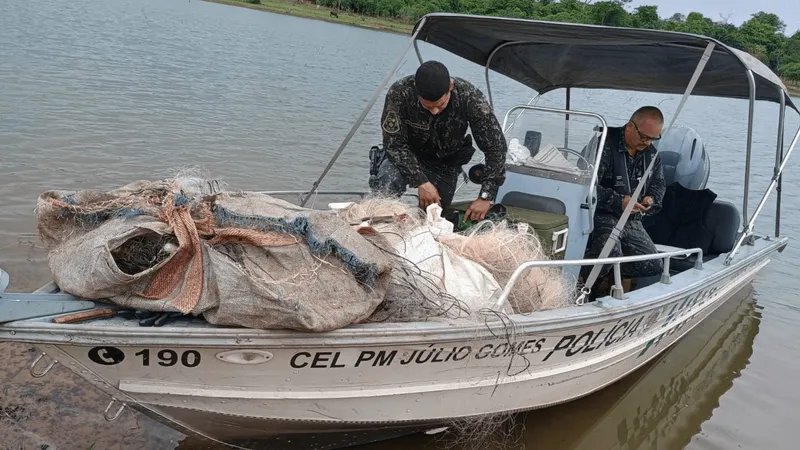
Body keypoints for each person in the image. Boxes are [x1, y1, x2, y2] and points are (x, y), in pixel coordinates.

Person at [369, 60, 507, 221]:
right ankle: (380, 226)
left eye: (440, 106)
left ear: (451, 87)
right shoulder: (400, 93)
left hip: (445, 163)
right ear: (416, 91)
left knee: (435, 217)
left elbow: (496, 149)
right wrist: (421, 181)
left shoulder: (470, 98)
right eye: (427, 107)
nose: (434, 111)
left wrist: (485, 196)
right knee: (385, 187)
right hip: (406, 156)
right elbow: (394, 145)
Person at [580, 106, 667, 294]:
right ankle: (579, 281)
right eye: (644, 137)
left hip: (632, 220)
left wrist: (651, 200)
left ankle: (605, 277)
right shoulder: (603, 145)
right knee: (610, 251)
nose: (648, 142)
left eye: (654, 138)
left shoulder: (652, 155)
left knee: (653, 264)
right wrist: (619, 201)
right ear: (630, 127)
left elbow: (659, 184)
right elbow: (583, 184)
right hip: (602, 214)